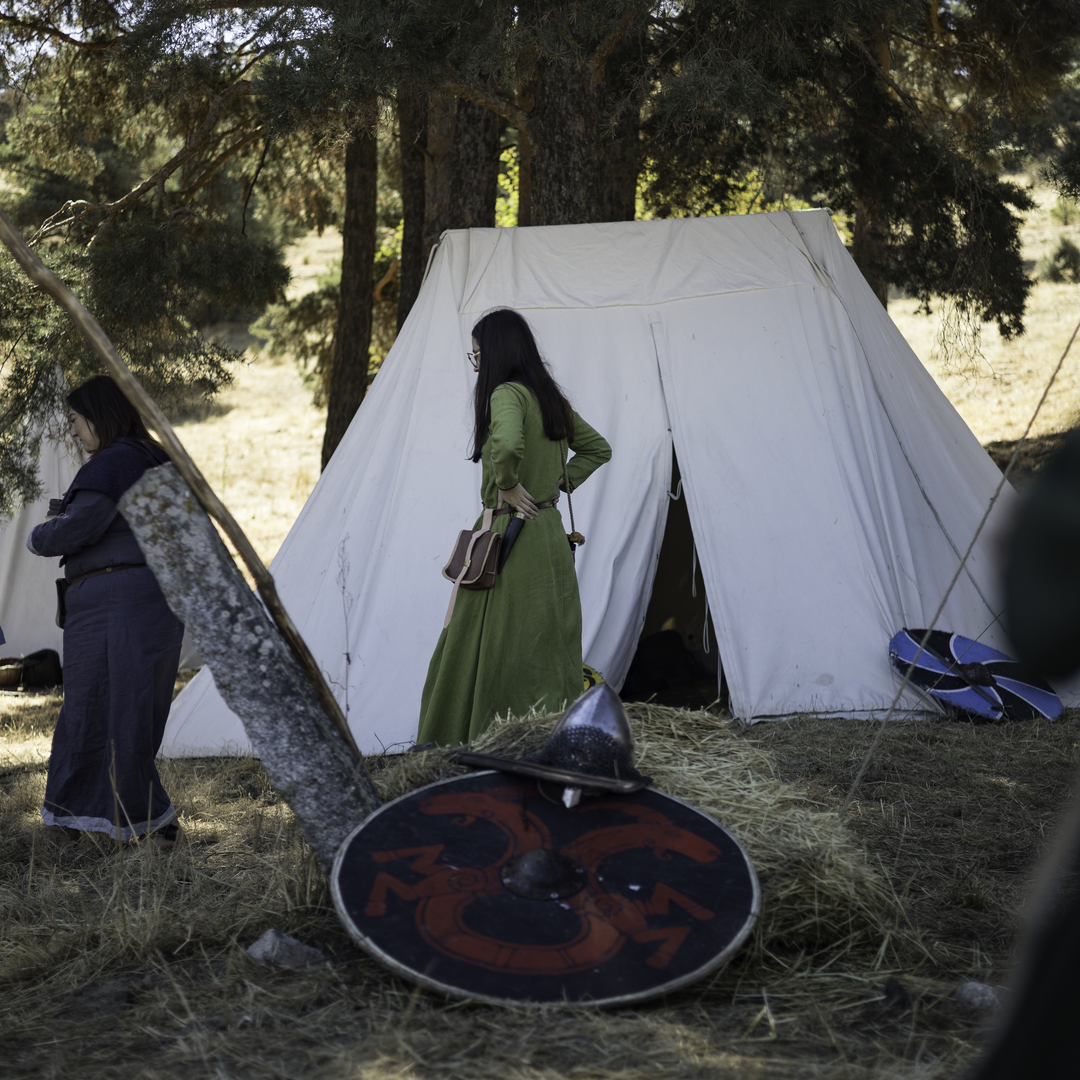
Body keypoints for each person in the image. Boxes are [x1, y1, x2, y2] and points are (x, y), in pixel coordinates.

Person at [418, 309, 611, 746]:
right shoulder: (548, 398)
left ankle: (477, 741)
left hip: (509, 537)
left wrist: (507, 485)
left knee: (490, 643)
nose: (477, 365)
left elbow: (505, 445)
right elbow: (598, 449)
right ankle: (548, 740)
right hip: (548, 535)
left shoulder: (506, 394)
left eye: (478, 355)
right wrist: (557, 483)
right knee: (544, 645)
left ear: (496, 352)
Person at [26, 376, 183, 848]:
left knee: (102, 712)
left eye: (76, 420)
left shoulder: (118, 460)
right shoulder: (152, 457)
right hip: (142, 601)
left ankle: (144, 824)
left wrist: (42, 534)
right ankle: (88, 824)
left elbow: (80, 527)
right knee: (122, 713)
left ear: (98, 415)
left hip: (120, 604)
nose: (74, 431)